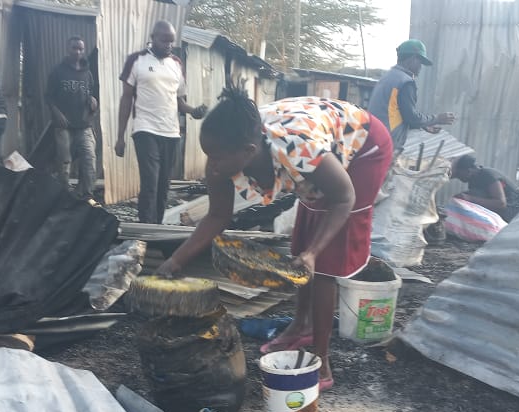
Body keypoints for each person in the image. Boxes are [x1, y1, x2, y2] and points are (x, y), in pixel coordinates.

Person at [156, 88, 393, 391]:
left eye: (216, 158)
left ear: (249, 151)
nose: (210, 166)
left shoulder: (297, 148)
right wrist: (176, 261)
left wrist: (314, 252)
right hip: (319, 141)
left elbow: (344, 198)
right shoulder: (228, 152)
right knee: (302, 240)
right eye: (208, 155)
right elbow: (217, 216)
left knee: (323, 263)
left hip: (363, 144)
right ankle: (301, 325)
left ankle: (321, 363)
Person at [115, 20, 208, 223]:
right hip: (145, 129)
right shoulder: (136, 61)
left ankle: (156, 228)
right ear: (153, 38)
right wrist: (120, 136)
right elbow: (126, 98)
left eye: (171, 41)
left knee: (163, 186)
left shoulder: (176, 64)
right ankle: (145, 233)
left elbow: (179, 101)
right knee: (150, 182)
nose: (168, 45)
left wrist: (193, 111)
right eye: (164, 40)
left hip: (171, 132)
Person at [367, 39, 455, 154]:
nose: (420, 67)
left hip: (372, 139)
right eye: (420, 62)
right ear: (413, 59)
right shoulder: (406, 82)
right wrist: (437, 118)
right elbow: (412, 118)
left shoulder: (387, 77)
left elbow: (394, 113)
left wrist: (424, 125)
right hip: (385, 144)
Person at [47, 36, 99, 199]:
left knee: (89, 159)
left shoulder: (87, 72)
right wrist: (57, 114)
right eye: (74, 48)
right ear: (67, 49)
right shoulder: (58, 71)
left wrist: (93, 101)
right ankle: (64, 194)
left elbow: (90, 94)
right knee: (65, 162)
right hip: (64, 126)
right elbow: (48, 97)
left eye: (80, 49)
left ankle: (87, 195)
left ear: (84, 50)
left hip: (84, 125)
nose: (77, 52)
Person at [450, 154, 519, 221]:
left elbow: (501, 203)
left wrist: (468, 198)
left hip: (515, 211)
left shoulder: (487, 175)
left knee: (472, 195)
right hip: (508, 211)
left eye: (459, 174)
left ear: (469, 171)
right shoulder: (473, 180)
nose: (458, 177)